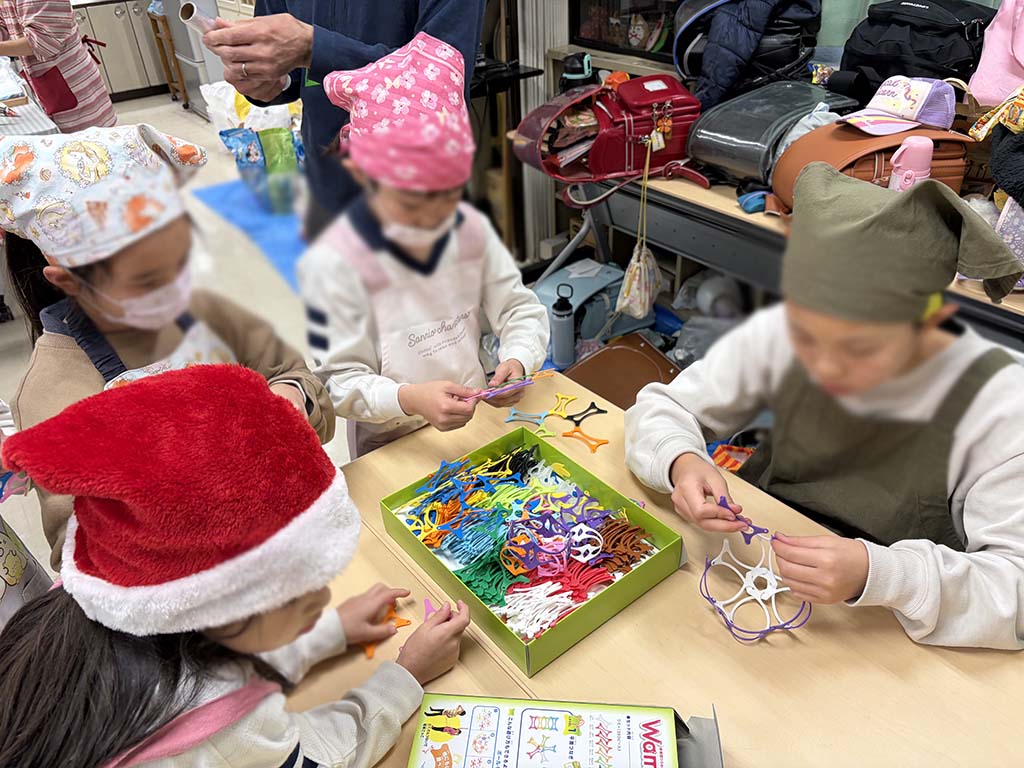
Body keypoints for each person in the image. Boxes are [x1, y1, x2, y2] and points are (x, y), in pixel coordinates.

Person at [625, 163, 1024, 650]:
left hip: (884, 633)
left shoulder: (1000, 406)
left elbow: (1014, 590)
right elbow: (663, 407)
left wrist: (883, 574)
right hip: (758, 570)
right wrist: (681, 461)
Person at [0, 364, 471, 767]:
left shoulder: (102, 599)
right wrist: (406, 676)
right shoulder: (213, 725)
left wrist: (330, 635)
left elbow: (216, 650)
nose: (318, 594)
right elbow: (321, 757)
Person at [0, 124, 334, 568]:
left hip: (294, 537)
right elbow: (79, 555)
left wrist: (291, 398)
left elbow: (298, 378)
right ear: (67, 278)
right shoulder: (52, 391)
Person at [298, 34, 549, 458]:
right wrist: (408, 398)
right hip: (392, 443)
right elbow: (338, 381)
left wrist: (518, 359)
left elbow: (518, 309)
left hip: (474, 426)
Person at [202, 0, 485, 240]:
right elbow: (295, 69)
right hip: (324, 178)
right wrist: (266, 76)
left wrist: (312, 48)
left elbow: (440, 81)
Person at [0, 0, 115, 132]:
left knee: (92, 139)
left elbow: (43, 42)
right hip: (50, 83)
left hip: (72, 83)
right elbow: (5, 23)